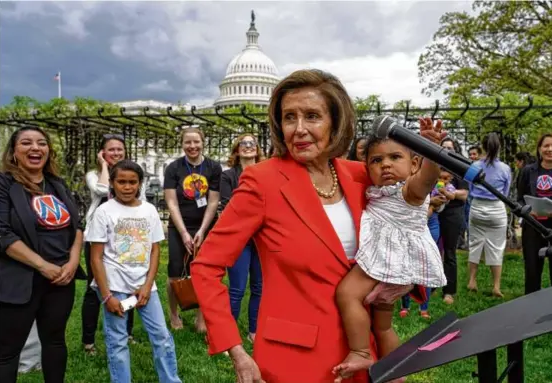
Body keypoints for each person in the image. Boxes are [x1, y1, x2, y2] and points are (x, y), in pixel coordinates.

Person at [190, 69, 427, 383]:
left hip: (363, 353)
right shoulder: (262, 182)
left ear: (335, 122)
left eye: (312, 116)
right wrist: (235, 349)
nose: (299, 129)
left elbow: (406, 213)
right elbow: (206, 266)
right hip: (294, 359)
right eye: (290, 117)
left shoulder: (360, 175)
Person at [332, 119, 447, 380]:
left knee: (347, 294)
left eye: (395, 157)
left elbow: (428, 179)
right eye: (376, 160)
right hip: (397, 270)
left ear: (414, 164)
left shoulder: (410, 191)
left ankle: (360, 351)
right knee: (383, 327)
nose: (385, 164)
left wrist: (431, 150)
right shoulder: (380, 191)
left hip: (388, 260)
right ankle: (396, 374)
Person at [0, 126, 85, 383]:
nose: (35, 148)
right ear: (14, 151)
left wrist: (72, 262)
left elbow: (77, 227)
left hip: (60, 280)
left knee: (55, 343)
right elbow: (1, 233)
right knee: (7, 352)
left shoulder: (56, 184)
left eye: (42, 143)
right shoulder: (4, 183)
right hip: (19, 281)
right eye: (26, 143)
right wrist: (43, 266)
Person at [86, 160, 181, 383]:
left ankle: (170, 379)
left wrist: (148, 285)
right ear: (111, 183)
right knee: (117, 340)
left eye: (132, 182)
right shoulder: (103, 212)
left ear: (140, 184)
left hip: (145, 286)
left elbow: (155, 251)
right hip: (114, 287)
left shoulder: (149, 211)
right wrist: (106, 295)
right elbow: (95, 257)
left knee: (161, 336)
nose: (127, 187)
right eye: (121, 182)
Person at [82, 134, 141, 355]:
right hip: (97, 237)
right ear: (102, 153)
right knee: (95, 286)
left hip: (125, 235)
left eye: (119, 150)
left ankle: (127, 333)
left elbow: (139, 200)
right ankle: (88, 341)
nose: (116, 153)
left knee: (128, 283)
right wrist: (104, 167)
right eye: (111, 150)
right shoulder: (94, 175)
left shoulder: (133, 172)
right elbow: (100, 190)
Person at [163, 127, 222, 331]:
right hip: (179, 226)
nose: (192, 146)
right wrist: (183, 233)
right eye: (188, 142)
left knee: (203, 272)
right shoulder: (173, 168)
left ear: (203, 142)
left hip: (205, 226)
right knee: (174, 272)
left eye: (196, 141)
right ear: (182, 144)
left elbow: (213, 201)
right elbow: (171, 203)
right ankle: (173, 315)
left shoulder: (213, 167)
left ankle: (200, 317)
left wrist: (202, 230)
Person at [219, 134, 265, 344]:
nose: (248, 147)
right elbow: (230, 205)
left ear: (257, 149)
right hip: (239, 238)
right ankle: (228, 335)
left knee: (259, 287)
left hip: (263, 238)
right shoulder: (228, 176)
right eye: (243, 144)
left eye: (251, 143)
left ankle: (254, 330)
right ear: (237, 150)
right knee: (236, 289)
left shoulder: (266, 173)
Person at [400, 169, 449, 319]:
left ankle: (424, 308)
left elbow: (438, 208)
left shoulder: (437, 187)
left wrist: (435, 204)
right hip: (408, 227)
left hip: (431, 226)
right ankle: (405, 305)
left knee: (426, 267)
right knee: (406, 267)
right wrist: (428, 203)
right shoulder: (406, 184)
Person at [467, 133, 511, 297]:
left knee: (475, 243)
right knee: (497, 247)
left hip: (477, 207)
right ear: (498, 147)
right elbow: (505, 193)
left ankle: (472, 280)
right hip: (496, 209)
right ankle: (496, 286)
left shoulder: (474, 166)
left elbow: (470, 189)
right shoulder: (505, 168)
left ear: (483, 147)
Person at [517, 133, 552, 294]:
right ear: (539, 149)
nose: (550, 149)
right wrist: (526, 212)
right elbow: (519, 199)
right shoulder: (527, 171)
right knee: (532, 271)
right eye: (546, 146)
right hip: (532, 226)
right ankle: (531, 309)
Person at [438, 137, 469, 305]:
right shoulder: (433, 166)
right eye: (443, 147)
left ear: (456, 150)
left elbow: (465, 194)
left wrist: (453, 194)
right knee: (432, 250)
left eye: (450, 147)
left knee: (449, 252)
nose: (447, 150)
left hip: (453, 213)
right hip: (433, 212)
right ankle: (429, 287)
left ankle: (449, 291)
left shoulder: (459, 169)